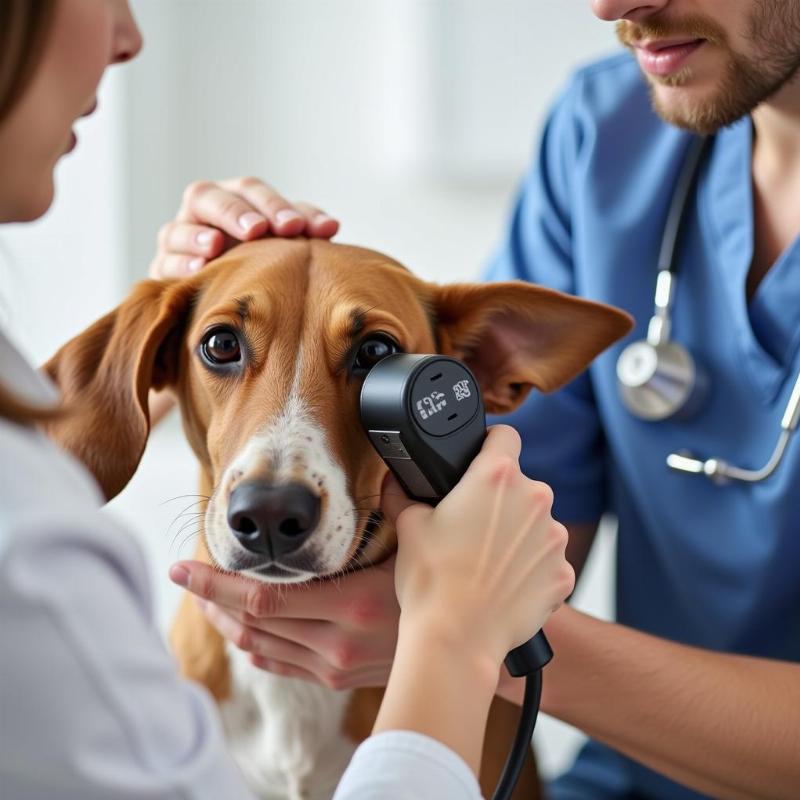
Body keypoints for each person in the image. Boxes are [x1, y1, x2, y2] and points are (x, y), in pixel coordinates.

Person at [160, 1, 800, 798]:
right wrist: (185, 321)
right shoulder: (606, 135)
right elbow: (503, 521)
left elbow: (493, 595)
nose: (607, 6)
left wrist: (460, 639)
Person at [0, 2, 575, 798]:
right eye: (224, 348)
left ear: (468, 371)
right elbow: (57, 459)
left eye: (373, 354)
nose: (278, 480)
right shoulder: (64, 590)